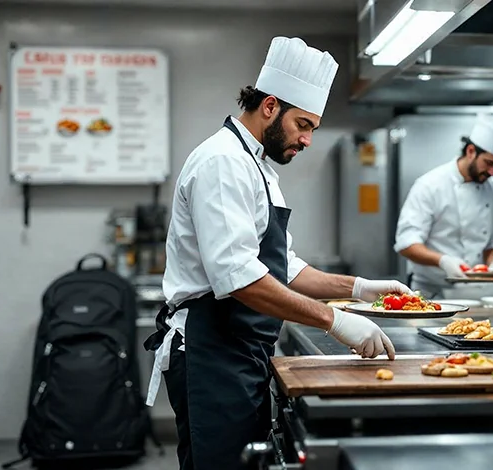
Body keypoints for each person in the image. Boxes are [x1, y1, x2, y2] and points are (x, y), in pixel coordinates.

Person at [142, 36, 410, 470]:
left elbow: (284, 265)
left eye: (312, 129)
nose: (307, 140)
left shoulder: (258, 166)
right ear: (270, 106)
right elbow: (239, 278)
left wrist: (361, 289)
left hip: (239, 348)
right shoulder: (223, 162)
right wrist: (335, 320)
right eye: (303, 124)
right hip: (211, 351)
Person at [393, 115, 493, 298]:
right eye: (489, 163)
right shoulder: (430, 185)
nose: (492, 172)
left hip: (474, 292)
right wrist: (443, 261)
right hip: (431, 291)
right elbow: (406, 243)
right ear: (471, 151)